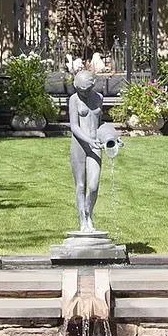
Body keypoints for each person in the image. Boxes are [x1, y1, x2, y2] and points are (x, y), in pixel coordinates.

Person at [67, 68, 104, 231]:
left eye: (87, 90)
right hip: (79, 145)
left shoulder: (99, 98)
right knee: (81, 185)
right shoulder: (74, 100)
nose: (84, 94)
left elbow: (100, 124)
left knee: (93, 186)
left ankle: (88, 212)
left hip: (95, 144)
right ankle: (83, 220)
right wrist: (89, 140)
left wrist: (112, 137)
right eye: (81, 91)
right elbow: (74, 126)